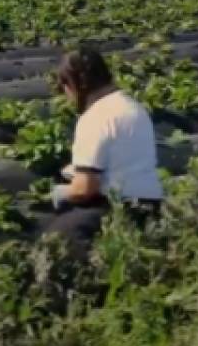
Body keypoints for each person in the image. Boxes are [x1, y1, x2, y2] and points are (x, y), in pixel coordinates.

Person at [46, 48, 163, 245]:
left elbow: (85, 188)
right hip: (152, 204)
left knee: (57, 239)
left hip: (120, 206)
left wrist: (60, 193)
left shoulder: (96, 116)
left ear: (76, 84)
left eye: (64, 85)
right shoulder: (133, 107)